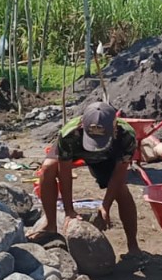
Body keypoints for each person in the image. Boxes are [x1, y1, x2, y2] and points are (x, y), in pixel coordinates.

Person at [34, 101, 141, 255]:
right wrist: (69, 211)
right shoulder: (69, 133)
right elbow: (65, 173)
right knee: (47, 169)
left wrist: (105, 205)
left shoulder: (127, 136)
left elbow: (119, 175)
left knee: (121, 190)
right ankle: (50, 225)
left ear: (114, 129)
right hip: (77, 150)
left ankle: (133, 246)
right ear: (82, 127)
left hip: (107, 157)